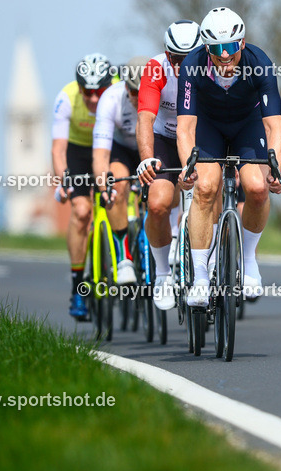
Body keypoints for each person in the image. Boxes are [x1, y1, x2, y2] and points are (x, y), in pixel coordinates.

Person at [174, 7, 281, 307]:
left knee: (258, 188)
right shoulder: (192, 66)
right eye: (217, 49)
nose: (225, 56)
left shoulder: (260, 64)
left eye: (231, 48)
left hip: (246, 127)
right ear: (206, 48)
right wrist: (188, 167)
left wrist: (276, 168)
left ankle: (249, 262)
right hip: (209, 127)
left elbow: (274, 126)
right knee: (207, 187)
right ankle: (199, 277)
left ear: (243, 43)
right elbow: (185, 127)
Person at [135, 20, 201, 311]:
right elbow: (145, 119)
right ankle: (163, 274)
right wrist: (147, 157)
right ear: (166, 53)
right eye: (175, 58)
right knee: (159, 204)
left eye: (187, 59)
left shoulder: (214, 69)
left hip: (202, 136)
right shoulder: (155, 68)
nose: (180, 66)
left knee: (211, 195)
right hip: (165, 139)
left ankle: (211, 268)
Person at [52, 53, 113, 319]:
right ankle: (78, 286)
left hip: (111, 147)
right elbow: (58, 150)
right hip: (78, 152)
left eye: (100, 90)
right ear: (79, 88)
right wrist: (64, 180)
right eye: (87, 92)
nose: (93, 98)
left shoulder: (121, 90)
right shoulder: (66, 98)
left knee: (122, 198)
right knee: (81, 212)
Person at [91, 55, 152, 287]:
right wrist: (102, 185)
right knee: (116, 184)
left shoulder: (164, 94)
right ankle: (123, 256)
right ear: (126, 87)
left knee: (157, 192)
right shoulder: (111, 99)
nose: (139, 98)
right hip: (122, 148)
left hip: (152, 145)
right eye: (134, 92)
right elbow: (100, 154)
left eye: (144, 92)